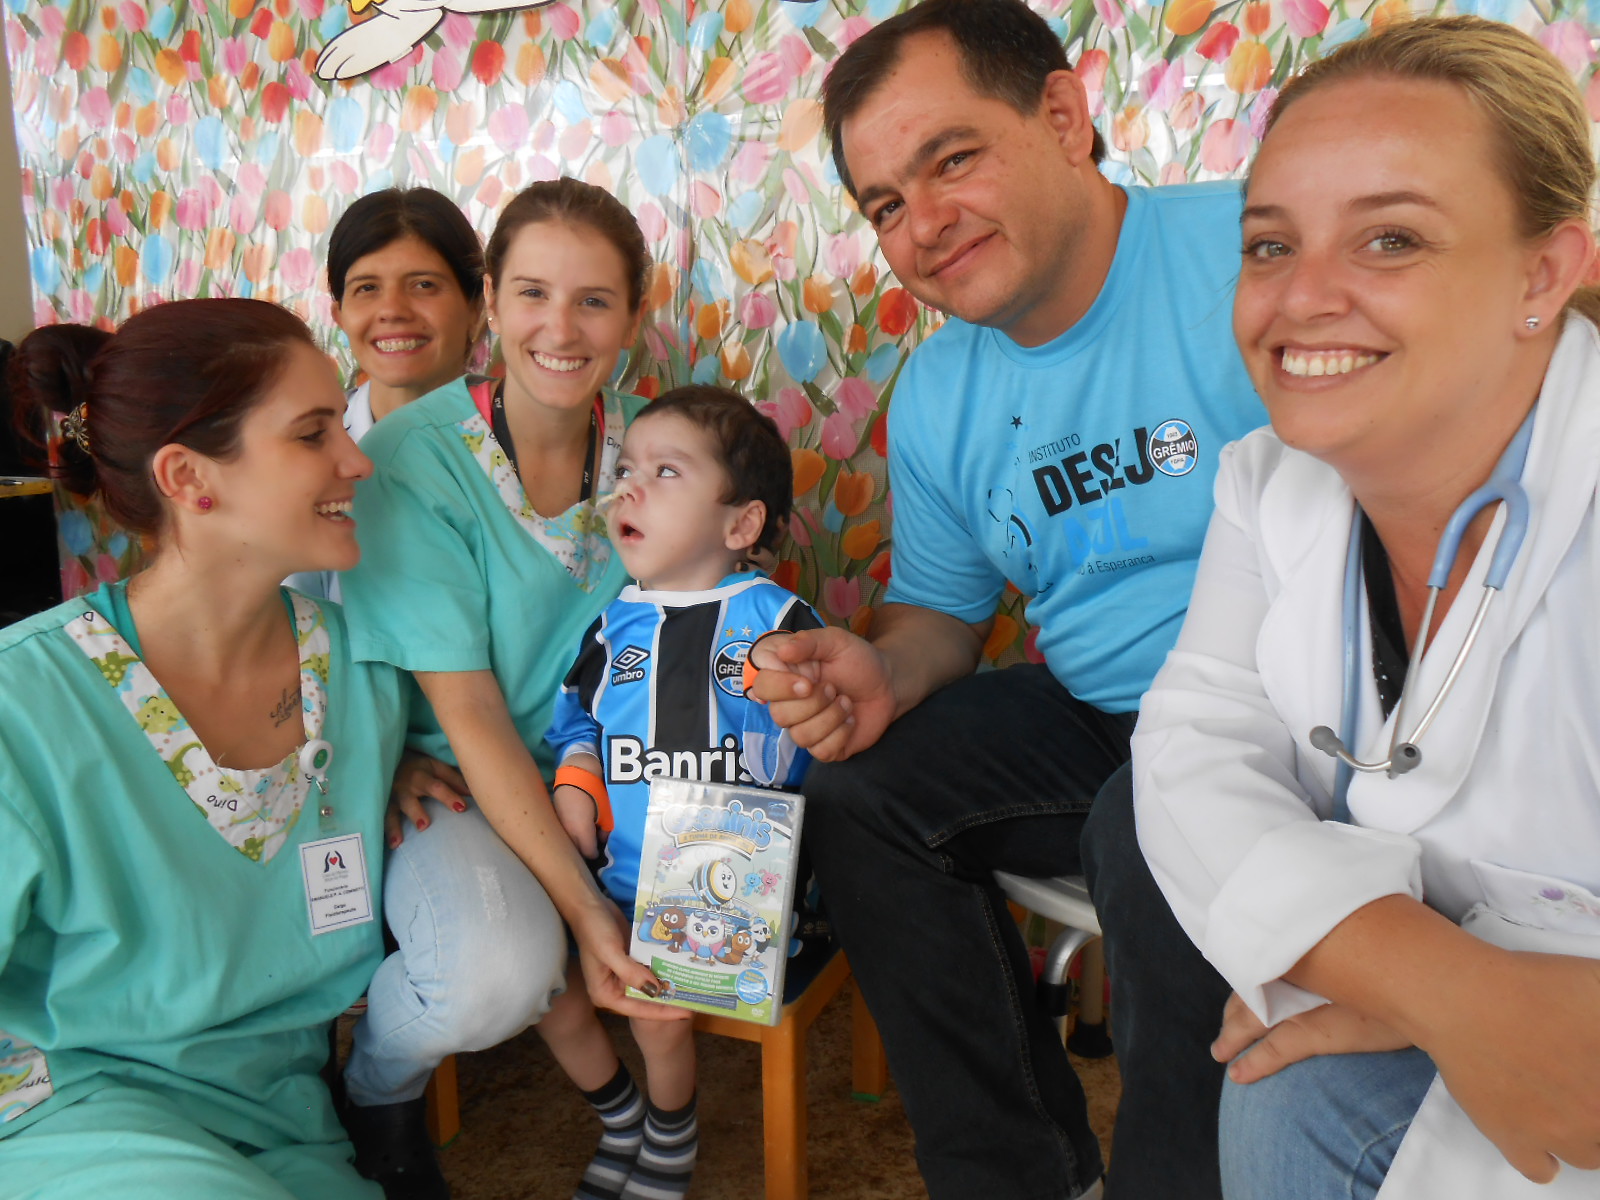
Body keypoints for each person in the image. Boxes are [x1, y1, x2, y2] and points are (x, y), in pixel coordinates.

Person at [746, 0, 1261, 1195]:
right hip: (1101, 715)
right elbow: (940, 613)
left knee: (1157, 827)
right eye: (883, 204)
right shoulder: (935, 395)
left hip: (1300, 713)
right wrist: (883, 669)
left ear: (1065, 118)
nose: (922, 226)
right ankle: (1019, 1176)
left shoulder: (1255, 250)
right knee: (861, 787)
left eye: (952, 159)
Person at [1132, 16, 1600, 1200]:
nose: (1303, 298)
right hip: (1468, 996)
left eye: (1389, 239)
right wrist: (1442, 989)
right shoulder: (1267, 485)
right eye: (1268, 244)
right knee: (1285, 1085)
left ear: (1543, 273)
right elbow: (1192, 749)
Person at [0, 298, 406, 1197]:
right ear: (189, 477)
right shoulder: (21, 704)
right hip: (65, 1101)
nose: (357, 460)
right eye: (312, 434)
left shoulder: (364, 677)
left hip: (280, 1120)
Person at [336, 177, 679, 1200]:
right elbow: (473, 717)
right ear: (491, 299)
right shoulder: (408, 462)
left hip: (610, 779)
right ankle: (373, 1089)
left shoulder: (659, 450)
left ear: (635, 310)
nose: (558, 330)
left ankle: (659, 1123)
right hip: (454, 781)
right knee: (495, 975)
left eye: (592, 301)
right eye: (531, 294)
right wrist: (585, 914)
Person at [541, 384, 820, 1199]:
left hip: (727, 895)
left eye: (665, 472)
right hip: (608, 886)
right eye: (626, 469)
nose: (629, 486)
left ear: (740, 525)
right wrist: (575, 786)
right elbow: (575, 723)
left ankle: (670, 1132)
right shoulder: (610, 624)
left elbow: (827, 736)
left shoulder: (776, 619)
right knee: (545, 993)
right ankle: (620, 1113)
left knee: (657, 1015)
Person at [287, 186, 484, 600]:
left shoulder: (521, 438)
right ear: (339, 315)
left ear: (477, 309)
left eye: (424, 285)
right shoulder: (302, 449)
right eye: (367, 288)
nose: (392, 309)